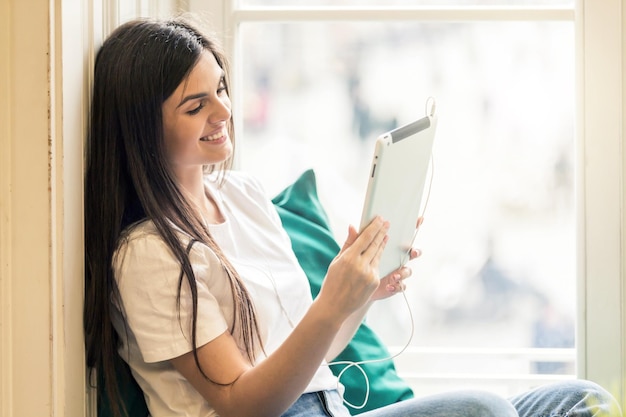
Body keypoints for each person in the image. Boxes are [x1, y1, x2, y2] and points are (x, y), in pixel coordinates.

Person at [83, 16, 622, 417]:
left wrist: (358, 296)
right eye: (195, 105)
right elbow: (244, 404)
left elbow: (311, 357)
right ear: (141, 127)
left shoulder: (244, 197)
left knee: (578, 401)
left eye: (221, 88)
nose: (224, 112)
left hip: (329, 406)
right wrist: (330, 302)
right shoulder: (149, 253)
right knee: (484, 411)